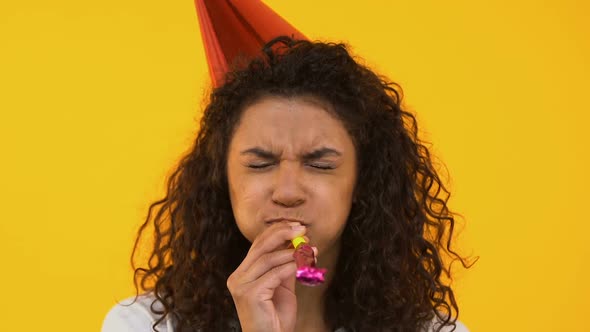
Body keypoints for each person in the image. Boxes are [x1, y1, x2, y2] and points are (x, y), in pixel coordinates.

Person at [102, 36, 472, 332]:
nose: (288, 191)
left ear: (363, 181)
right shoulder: (143, 324)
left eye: (321, 164)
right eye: (260, 163)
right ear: (221, 178)